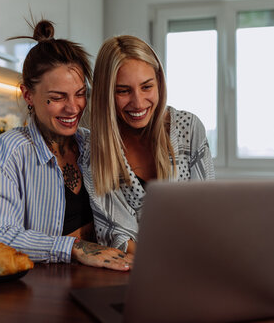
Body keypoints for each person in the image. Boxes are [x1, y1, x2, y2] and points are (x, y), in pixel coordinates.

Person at [0, 20, 132, 271]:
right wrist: (75, 247)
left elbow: (122, 220)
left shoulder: (93, 145)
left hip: (100, 281)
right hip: (39, 293)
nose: (73, 108)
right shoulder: (8, 152)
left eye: (79, 94)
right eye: (56, 98)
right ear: (28, 95)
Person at [83, 35, 216, 255]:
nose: (138, 102)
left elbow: (208, 211)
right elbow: (116, 236)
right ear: (106, 94)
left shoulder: (188, 129)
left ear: (159, 83)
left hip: (196, 262)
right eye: (123, 91)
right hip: (133, 271)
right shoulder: (95, 151)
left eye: (146, 87)